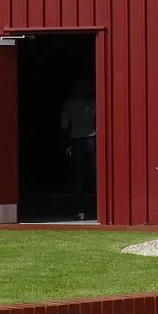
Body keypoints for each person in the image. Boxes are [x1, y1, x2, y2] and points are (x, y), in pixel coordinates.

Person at [58, 76, 96, 218]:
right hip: (93, 140)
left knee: (78, 176)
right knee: (94, 175)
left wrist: (66, 145)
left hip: (77, 140)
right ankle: (98, 208)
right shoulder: (95, 103)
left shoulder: (70, 105)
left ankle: (81, 210)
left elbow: (64, 127)